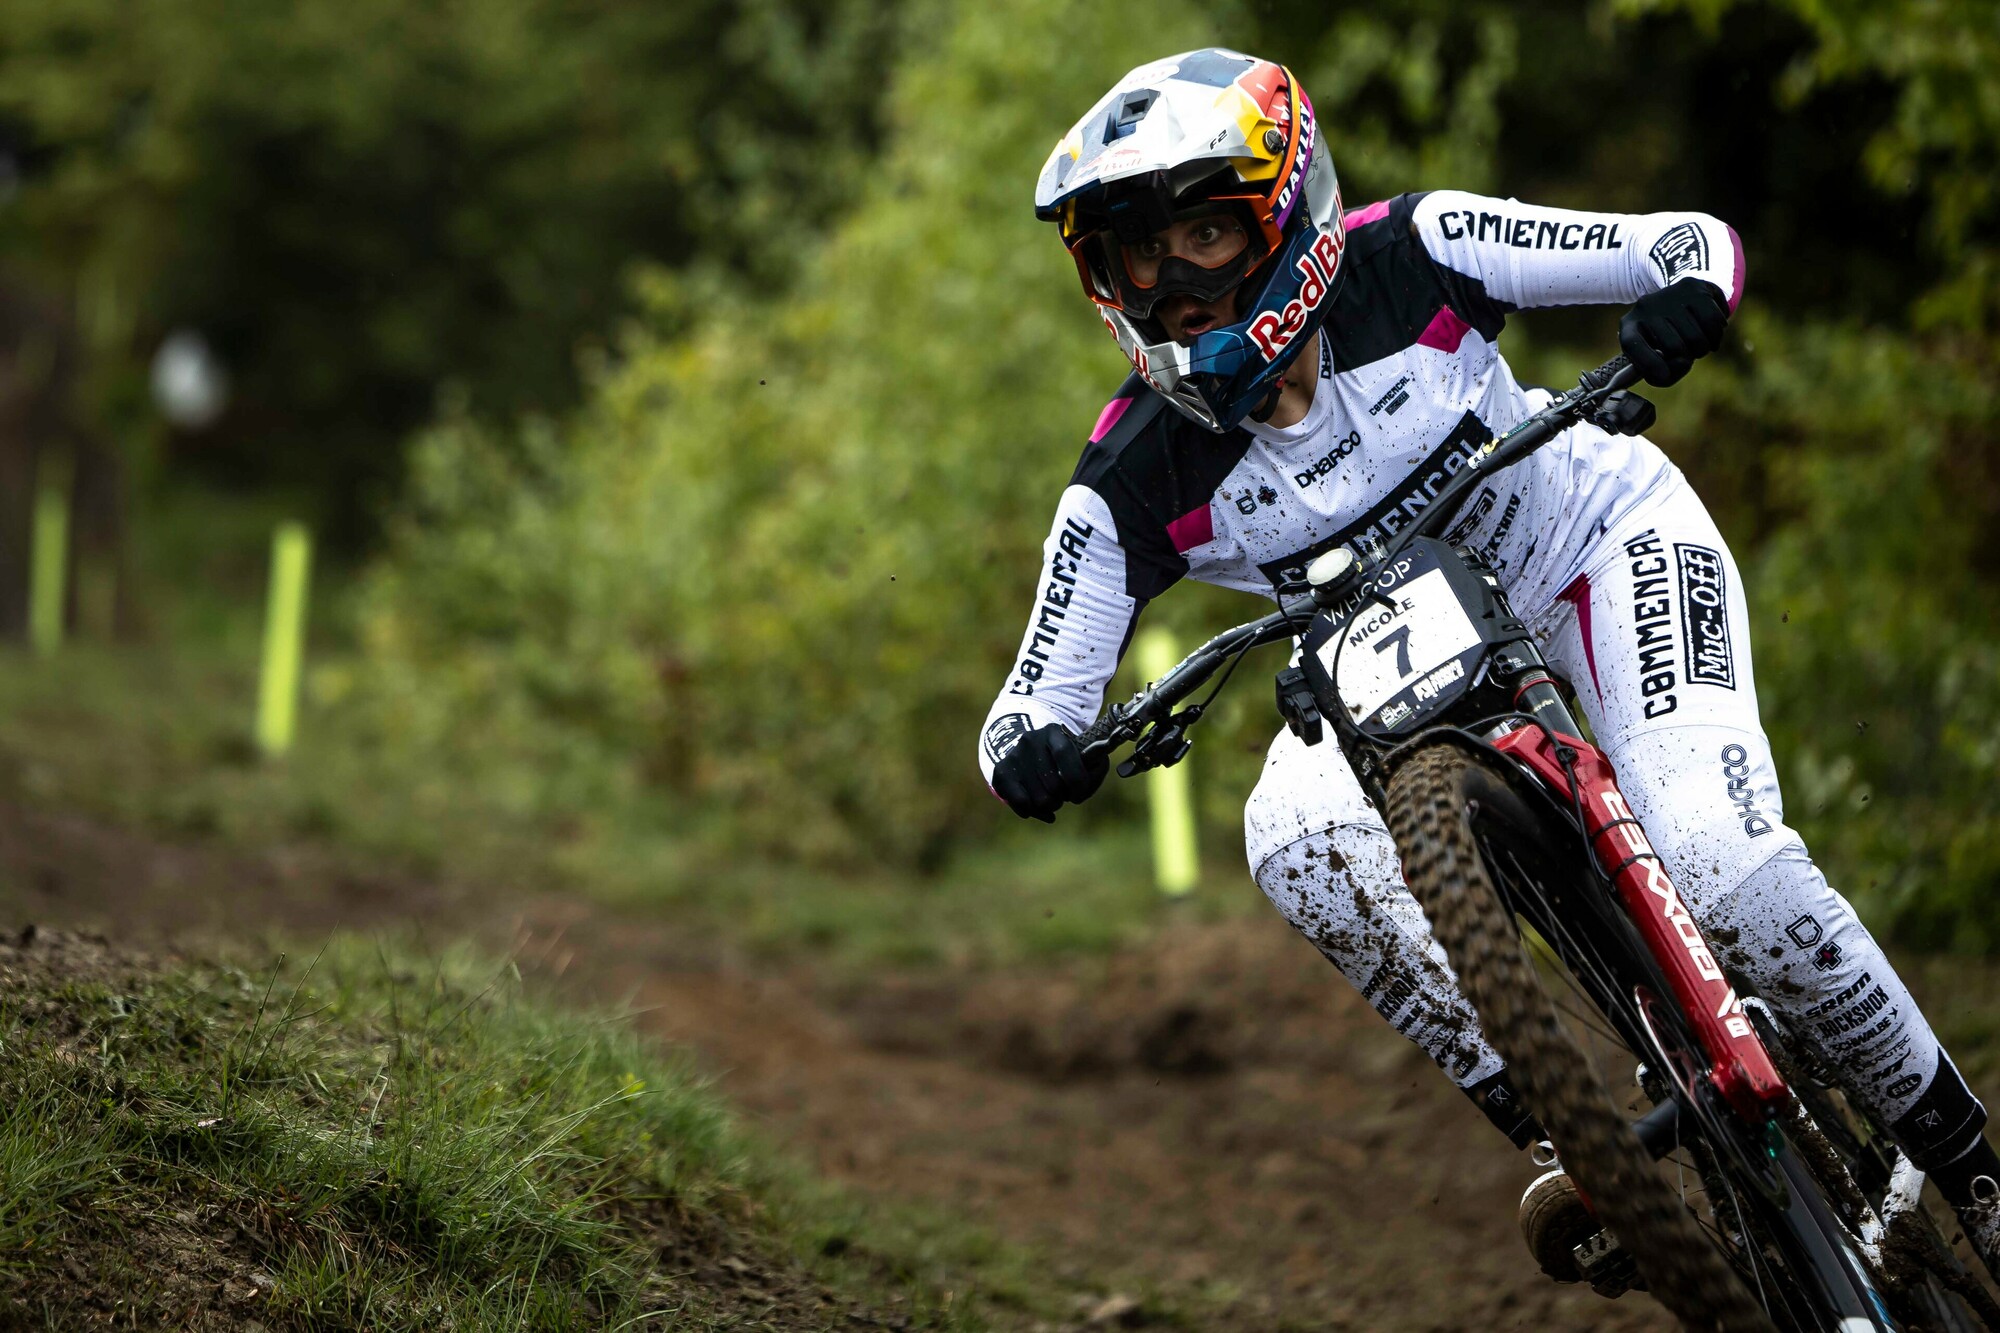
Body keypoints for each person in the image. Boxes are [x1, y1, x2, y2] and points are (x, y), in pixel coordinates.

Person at [976, 46, 2000, 1287]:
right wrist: (1031, 752)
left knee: (1725, 867)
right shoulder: (1127, 476)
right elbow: (1025, 705)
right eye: (1137, 255)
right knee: (1288, 837)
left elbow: (1684, 244)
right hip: (1379, 673)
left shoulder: (1414, 251)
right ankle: (1570, 1128)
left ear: (1284, 212)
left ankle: (1973, 1174)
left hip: (1587, 554)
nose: (1175, 283)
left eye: (1203, 232)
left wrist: (1684, 298)